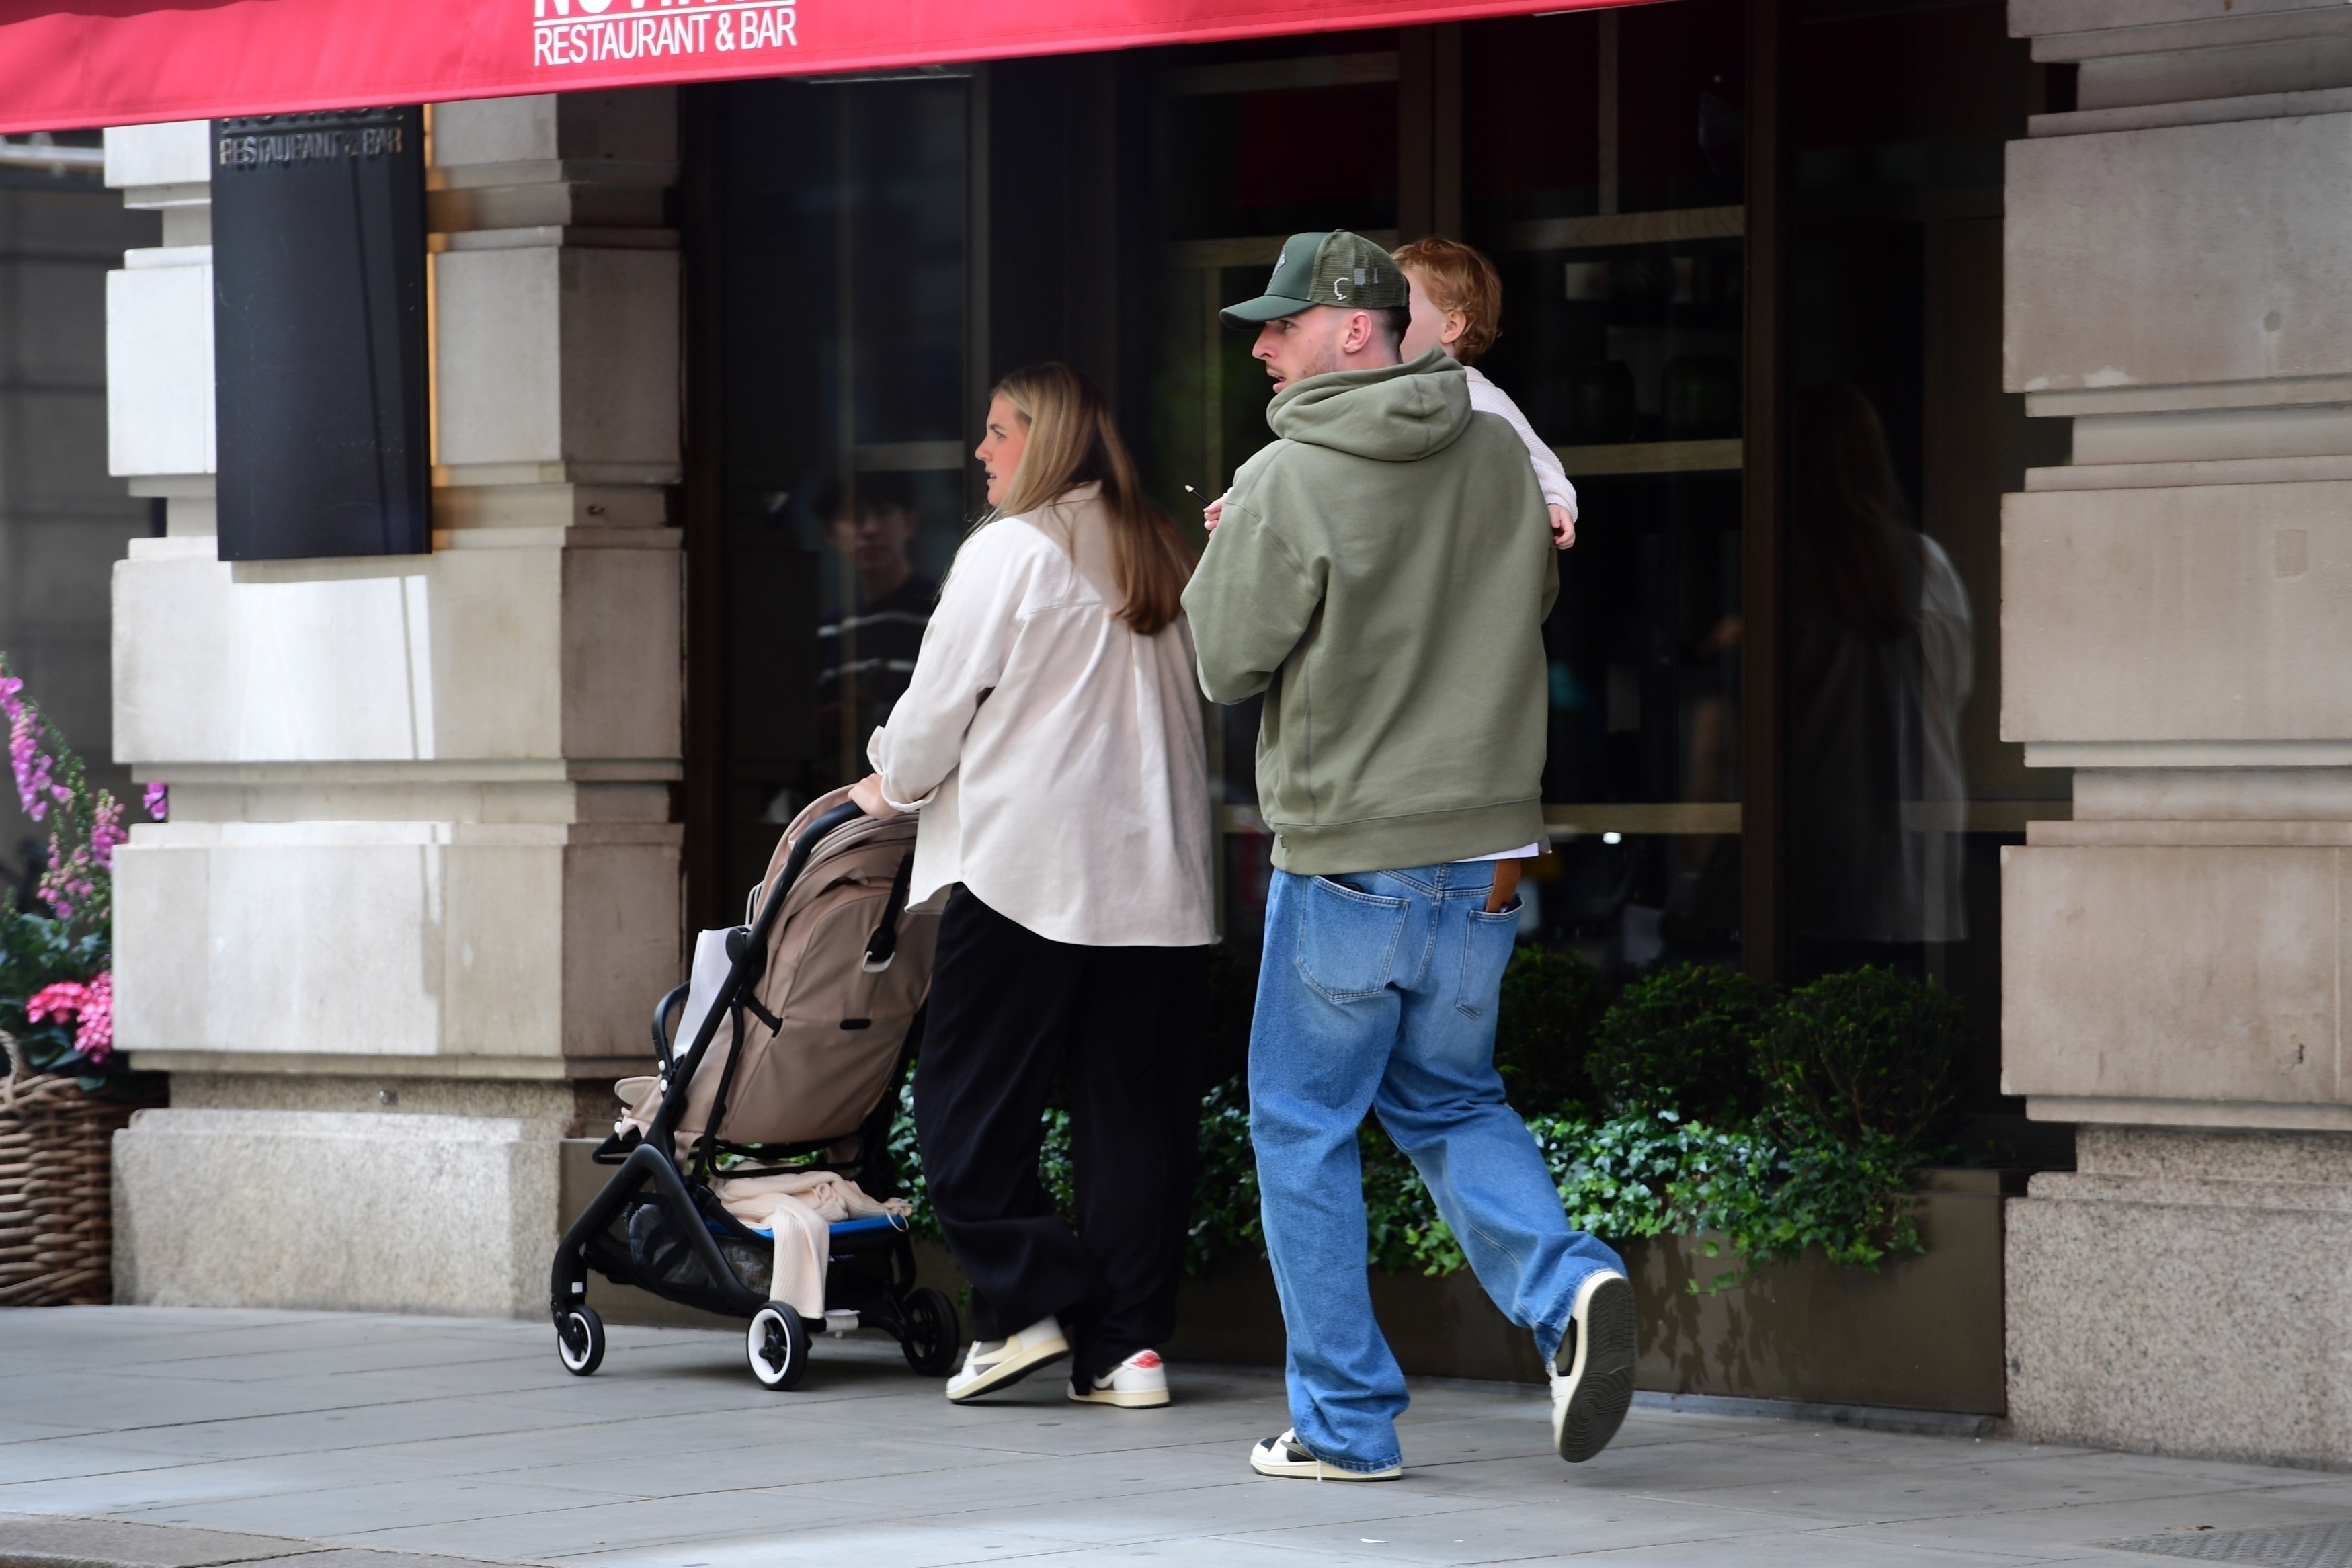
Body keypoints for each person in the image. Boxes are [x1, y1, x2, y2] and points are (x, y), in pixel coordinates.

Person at [1183, 231, 1634, 1481]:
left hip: (1348, 854)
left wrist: (1236, 538)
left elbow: (1222, 661)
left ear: (1352, 329)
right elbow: (1521, 604)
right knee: (1447, 1096)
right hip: (1483, 852)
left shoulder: (1285, 474)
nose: (1261, 347)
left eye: (1279, 325)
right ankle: (1568, 1277)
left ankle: (1341, 1423)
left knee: (1302, 1125)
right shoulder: (1499, 450)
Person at [847, 362, 1215, 1411]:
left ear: (1044, 442)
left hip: (1028, 875)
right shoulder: (1159, 546)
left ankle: (1030, 1301)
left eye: (999, 432)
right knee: (1133, 1126)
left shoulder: (1007, 551)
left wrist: (892, 781)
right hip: (1159, 884)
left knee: (961, 1110)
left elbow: (933, 709)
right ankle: (1126, 1350)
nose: (982, 452)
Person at [1393, 236, 1580, 549]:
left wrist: (1555, 502)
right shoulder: (1380, 384)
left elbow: (1537, 458)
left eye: (1399, 304)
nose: (1383, 316)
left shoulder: (1474, 393)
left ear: (1450, 326)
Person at [815, 470, 938, 782]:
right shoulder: (830, 631)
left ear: (909, 521)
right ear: (831, 531)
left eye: (883, 513)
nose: (869, 530)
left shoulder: (942, 611)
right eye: (854, 517)